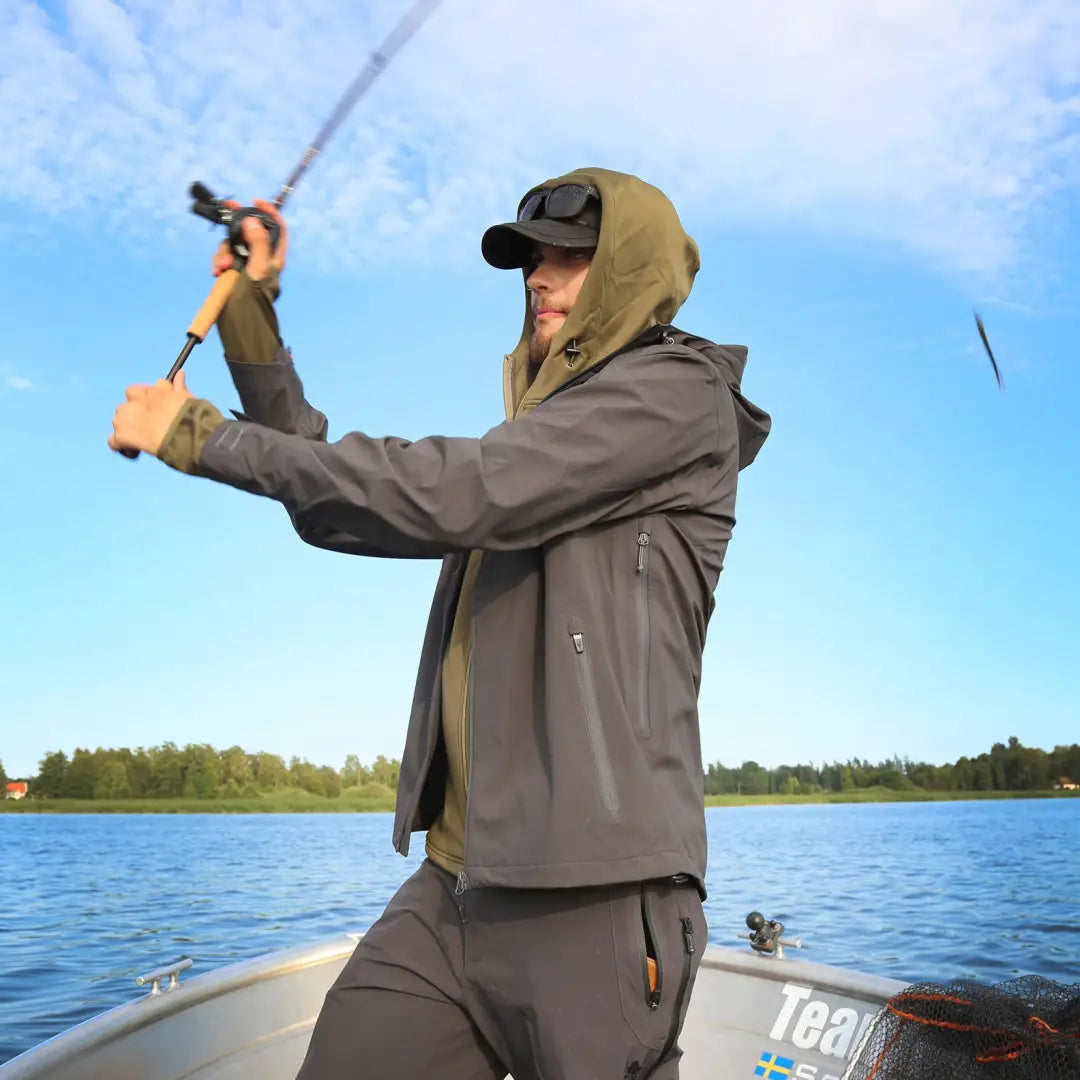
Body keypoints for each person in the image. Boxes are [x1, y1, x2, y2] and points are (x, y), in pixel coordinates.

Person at [108, 167, 771, 1079]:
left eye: (571, 258)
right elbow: (337, 494)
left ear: (625, 270)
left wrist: (200, 435)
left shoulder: (675, 398)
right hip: (453, 887)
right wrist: (249, 313)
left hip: (597, 896)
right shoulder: (531, 451)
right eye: (532, 259)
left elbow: (457, 490)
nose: (540, 277)